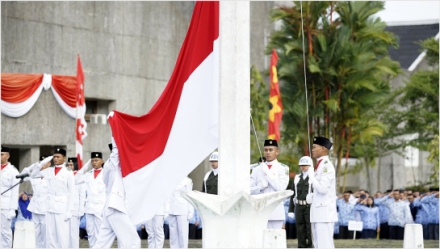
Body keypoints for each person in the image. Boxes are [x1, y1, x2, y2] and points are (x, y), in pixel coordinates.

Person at [93, 138, 140, 248]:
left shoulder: (119, 168)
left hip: (111, 208)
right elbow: (115, 154)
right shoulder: (111, 165)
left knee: (101, 244)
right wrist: (116, 133)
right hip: (115, 207)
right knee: (133, 241)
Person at [30, 148, 74, 248]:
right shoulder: (48, 171)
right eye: (54, 157)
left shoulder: (68, 172)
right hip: (49, 207)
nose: (56, 159)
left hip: (62, 208)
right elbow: (34, 174)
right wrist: (45, 161)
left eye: (58, 157)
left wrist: (70, 210)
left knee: (62, 236)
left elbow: (72, 192)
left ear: (64, 158)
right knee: (51, 236)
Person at [250, 139, 289, 229]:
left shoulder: (283, 168)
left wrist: (267, 172)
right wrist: (259, 187)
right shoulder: (256, 168)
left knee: (274, 240)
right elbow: (249, 189)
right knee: (260, 241)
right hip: (259, 210)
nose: (268, 152)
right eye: (266, 150)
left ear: (277, 151)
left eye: (271, 150)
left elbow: (281, 188)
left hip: (275, 211)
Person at [307, 136, 337, 248]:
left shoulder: (326, 167)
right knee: (318, 244)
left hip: (324, 213)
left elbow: (323, 189)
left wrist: (311, 176)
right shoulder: (319, 165)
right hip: (318, 212)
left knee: (325, 245)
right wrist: (313, 196)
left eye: (315, 147)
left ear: (323, 148)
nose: (312, 149)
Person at [76, 152, 106, 248]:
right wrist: (85, 167)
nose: (94, 162)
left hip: (100, 208)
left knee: (100, 233)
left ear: (102, 161)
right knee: (90, 233)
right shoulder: (88, 174)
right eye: (92, 160)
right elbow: (75, 180)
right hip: (89, 208)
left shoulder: (106, 173)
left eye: (96, 160)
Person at [26, 155, 51, 248]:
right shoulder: (34, 176)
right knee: (35, 232)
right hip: (35, 206)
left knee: (45, 233)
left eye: (44, 163)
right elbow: (24, 172)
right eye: (40, 163)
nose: (42, 165)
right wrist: (35, 165)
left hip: (46, 207)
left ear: (49, 164)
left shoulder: (51, 176)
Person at [288, 156, 313, 248]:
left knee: (310, 229)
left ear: (310, 165)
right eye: (301, 165)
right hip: (299, 206)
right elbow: (293, 194)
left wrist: (313, 196)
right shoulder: (297, 178)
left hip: (309, 207)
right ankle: (301, 246)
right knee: (300, 228)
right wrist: (291, 209)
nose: (303, 167)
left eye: (305, 165)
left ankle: (311, 246)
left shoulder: (313, 178)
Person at [1, 146, 20, 249]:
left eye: (2, 154)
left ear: (8, 156)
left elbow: (14, 192)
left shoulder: (13, 171)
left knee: (5, 232)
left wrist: (13, 209)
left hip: (6, 206)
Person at [168, 177, 194, 248]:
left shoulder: (187, 181)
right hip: (172, 208)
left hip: (183, 209)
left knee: (183, 233)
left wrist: (190, 211)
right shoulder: (170, 179)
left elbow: (190, 195)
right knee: (173, 234)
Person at [66, 157, 86, 248]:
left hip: (74, 208)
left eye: (71, 165)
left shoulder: (79, 176)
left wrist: (81, 209)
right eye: (68, 165)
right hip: (64, 207)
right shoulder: (64, 175)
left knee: (73, 232)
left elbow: (82, 195)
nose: (69, 166)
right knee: (65, 232)